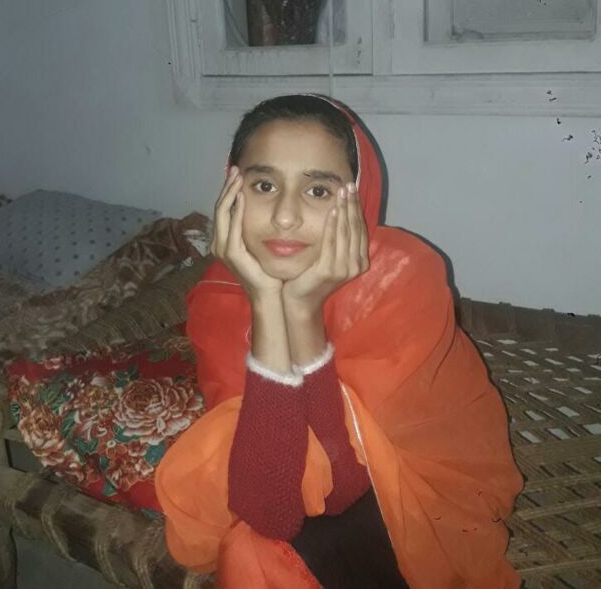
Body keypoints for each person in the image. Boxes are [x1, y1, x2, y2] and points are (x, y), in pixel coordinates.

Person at [156, 95, 523, 588]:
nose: (285, 216)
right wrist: (266, 301)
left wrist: (302, 312)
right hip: (306, 502)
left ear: (356, 195)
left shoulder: (399, 278)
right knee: (253, 546)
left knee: (255, 554)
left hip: (423, 506)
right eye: (264, 185)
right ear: (232, 190)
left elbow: (344, 486)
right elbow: (267, 502)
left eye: (318, 191)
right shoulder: (219, 297)